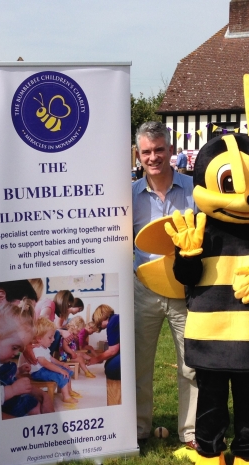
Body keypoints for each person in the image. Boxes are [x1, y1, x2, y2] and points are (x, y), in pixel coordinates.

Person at [132, 120, 198, 448]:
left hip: (185, 291)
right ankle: (139, 429)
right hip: (143, 288)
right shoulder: (127, 196)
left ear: (171, 150)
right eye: (147, 151)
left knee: (191, 365)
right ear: (138, 155)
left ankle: (191, 433)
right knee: (138, 364)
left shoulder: (194, 190)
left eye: (159, 149)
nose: (153, 157)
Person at [28, 317, 79, 404]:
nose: (54, 340)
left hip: (44, 369)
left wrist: (62, 364)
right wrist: (60, 369)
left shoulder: (44, 347)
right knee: (61, 374)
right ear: (39, 338)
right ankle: (66, 397)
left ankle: (69, 390)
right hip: (38, 372)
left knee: (67, 370)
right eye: (50, 337)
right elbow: (45, 363)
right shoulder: (37, 349)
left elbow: (50, 358)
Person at [88, 304, 121, 381]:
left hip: (134, 353)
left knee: (110, 370)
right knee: (108, 364)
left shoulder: (112, 323)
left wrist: (96, 359)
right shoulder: (115, 318)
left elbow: (112, 351)